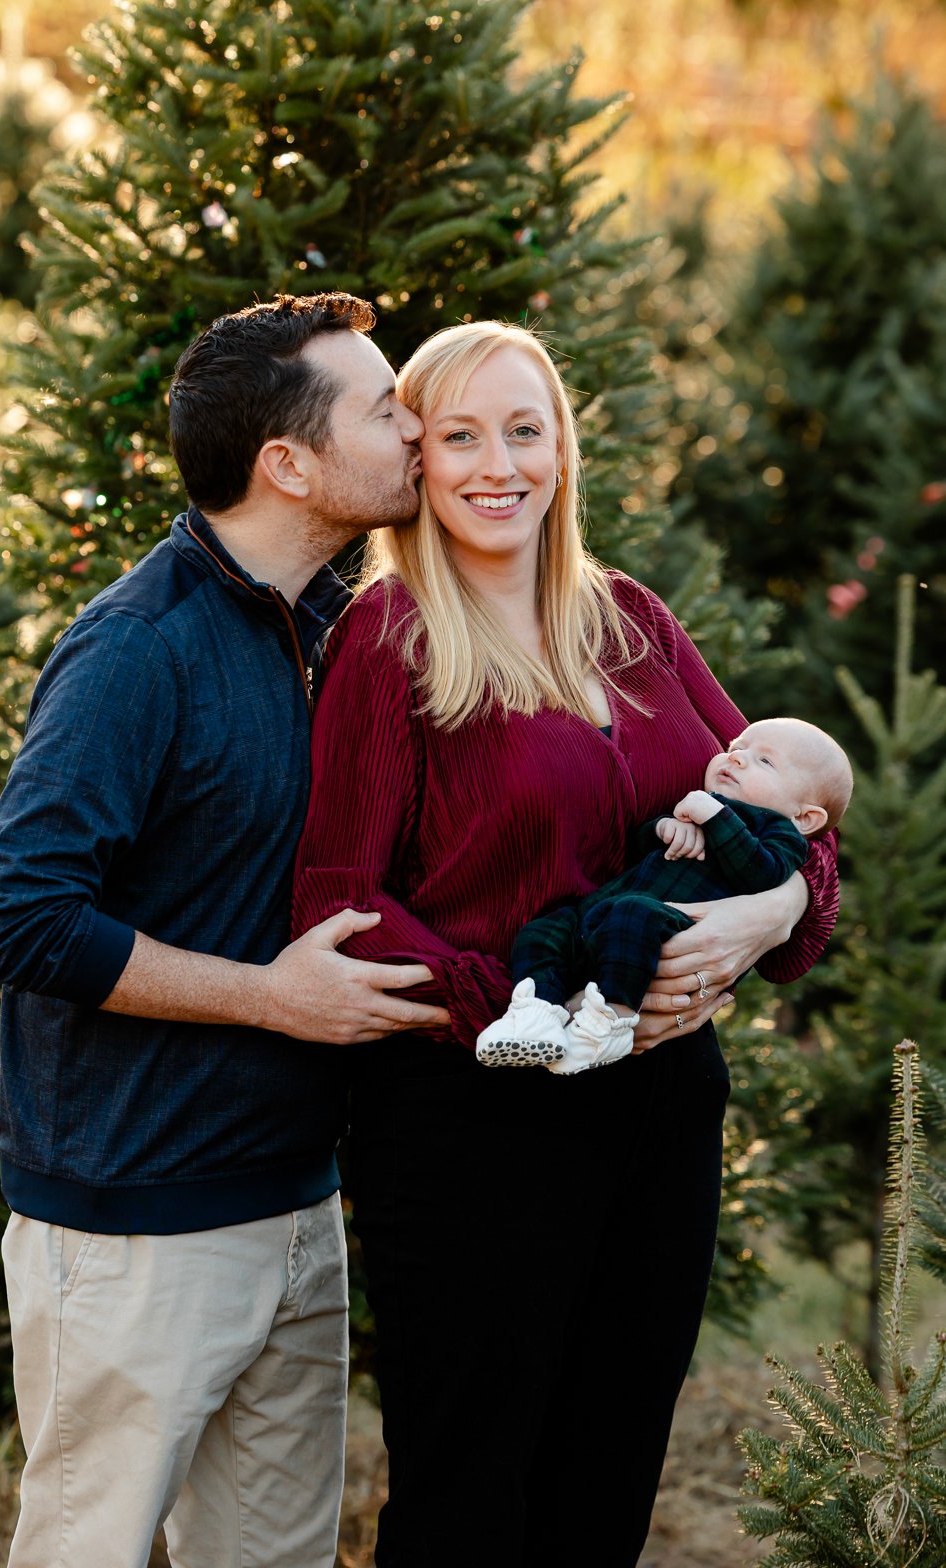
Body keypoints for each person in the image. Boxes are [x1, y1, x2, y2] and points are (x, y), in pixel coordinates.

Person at [291, 320, 839, 1567]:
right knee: (468, 1493)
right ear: (419, 461)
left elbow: (794, 809)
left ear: (560, 452)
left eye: (523, 431)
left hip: (659, 1117)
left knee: (604, 1485)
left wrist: (765, 914)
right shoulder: (390, 641)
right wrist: (538, 998)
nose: (498, 465)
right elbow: (338, 898)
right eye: (463, 435)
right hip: (474, 1116)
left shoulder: (632, 621)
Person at [0, 292, 449, 1568]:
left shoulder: (345, 629)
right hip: (131, 1227)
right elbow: (20, 915)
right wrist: (270, 997)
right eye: (383, 406)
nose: (418, 428)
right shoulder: (138, 647)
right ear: (285, 462)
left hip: (295, 1209)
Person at [477, 715, 852, 1074]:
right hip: (601, 916)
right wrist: (664, 828)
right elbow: (641, 851)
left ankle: (610, 1020)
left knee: (634, 913)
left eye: (764, 760)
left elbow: (762, 873)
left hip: (669, 923)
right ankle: (535, 1013)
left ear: (806, 819)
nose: (735, 756)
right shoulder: (697, 805)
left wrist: (714, 817)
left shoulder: (780, 834)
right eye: (735, 746)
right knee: (546, 929)